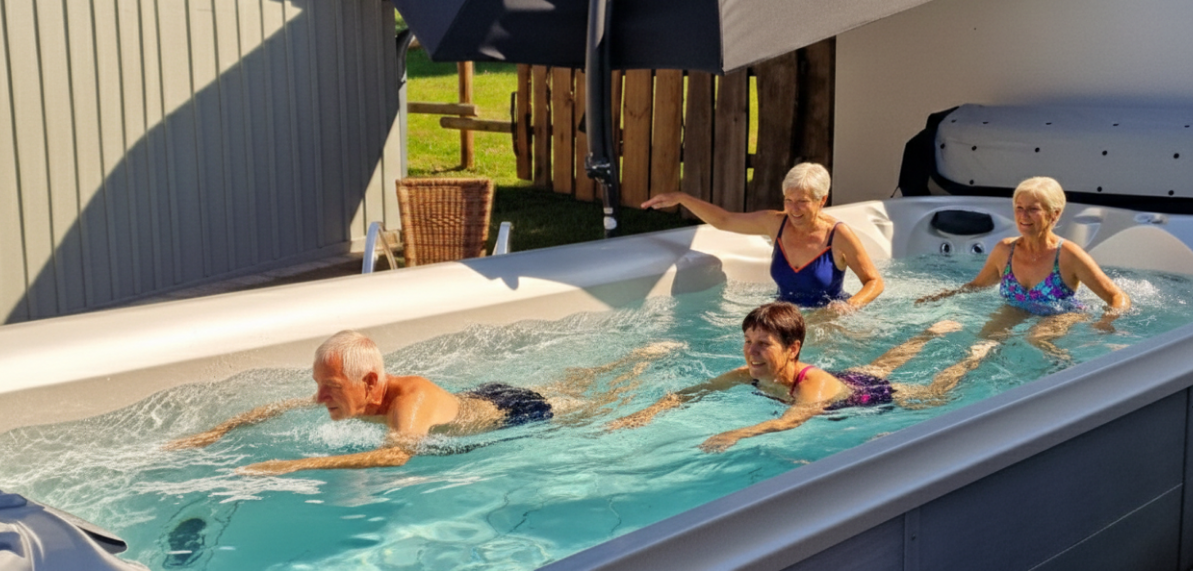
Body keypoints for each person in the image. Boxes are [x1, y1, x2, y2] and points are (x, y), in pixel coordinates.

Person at [166, 330, 677, 475]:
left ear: (369, 381)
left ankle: (641, 362)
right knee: (575, 380)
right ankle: (633, 355)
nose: (319, 398)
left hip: (515, 413)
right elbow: (280, 407)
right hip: (477, 398)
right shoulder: (358, 393)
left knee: (597, 400)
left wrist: (293, 465)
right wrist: (218, 431)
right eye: (319, 385)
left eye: (330, 388)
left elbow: (396, 455)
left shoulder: (405, 403)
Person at [608, 302, 993, 453]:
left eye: (763, 344)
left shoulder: (812, 385)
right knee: (879, 363)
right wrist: (648, 412)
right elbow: (688, 393)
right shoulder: (749, 374)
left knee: (933, 393)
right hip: (843, 379)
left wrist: (738, 433)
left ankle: (972, 356)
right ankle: (927, 334)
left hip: (862, 397)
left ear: (792, 348)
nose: (751, 351)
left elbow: (792, 420)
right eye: (747, 341)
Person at [917, 177, 1130, 355]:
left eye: (1033, 209)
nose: (1023, 216)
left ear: (1054, 214)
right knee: (981, 345)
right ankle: (943, 392)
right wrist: (943, 296)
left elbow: (1117, 297)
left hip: (1060, 313)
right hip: (1017, 307)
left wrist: (1106, 321)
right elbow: (977, 285)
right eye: (1019, 208)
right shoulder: (1004, 250)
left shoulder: (1068, 255)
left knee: (1035, 340)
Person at [641, 163, 883, 309]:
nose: (793, 210)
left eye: (802, 202)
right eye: (788, 200)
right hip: (784, 319)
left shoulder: (838, 235)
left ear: (822, 201)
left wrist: (848, 307)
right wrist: (683, 198)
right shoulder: (775, 223)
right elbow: (725, 221)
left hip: (826, 323)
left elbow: (874, 282)